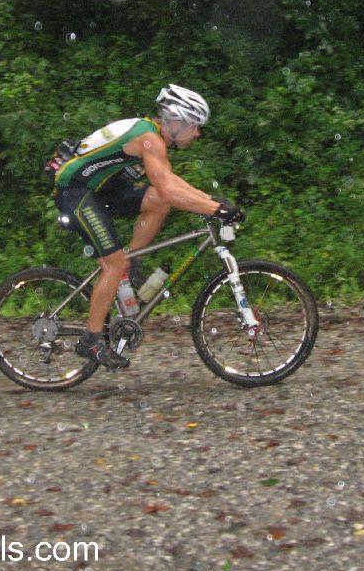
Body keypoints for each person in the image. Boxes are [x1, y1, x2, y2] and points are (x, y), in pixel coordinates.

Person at [51, 84, 244, 369]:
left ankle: (134, 262)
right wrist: (216, 209)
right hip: (76, 191)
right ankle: (91, 341)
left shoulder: (153, 135)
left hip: (99, 190)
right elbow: (169, 187)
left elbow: (167, 184)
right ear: (177, 120)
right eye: (196, 126)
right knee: (113, 264)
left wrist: (210, 200)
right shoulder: (148, 137)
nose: (199, 133)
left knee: (156, 202)